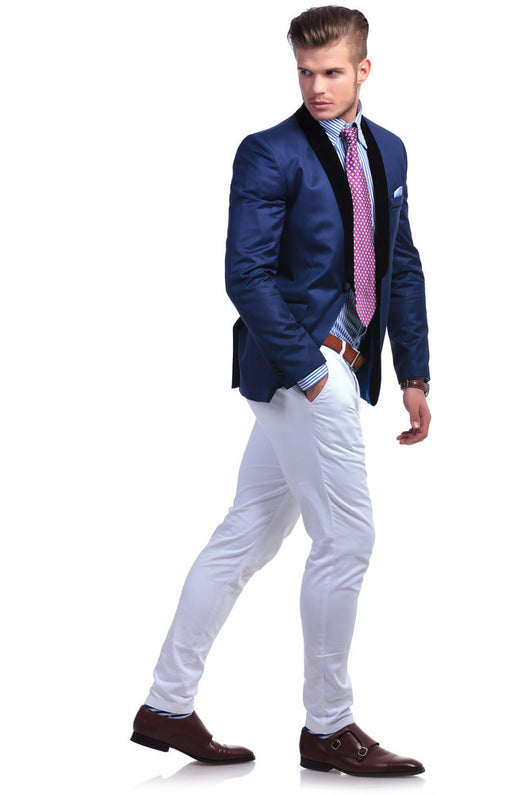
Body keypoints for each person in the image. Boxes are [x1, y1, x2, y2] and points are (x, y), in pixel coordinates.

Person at [131, 5, 430, 778]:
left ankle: (167, 704)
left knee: (246, 534)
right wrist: (311, 371)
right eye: (304, 72)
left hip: (348, 362)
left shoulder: (389, 149)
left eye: (331, 72)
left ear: (363, 69)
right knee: (348, 540)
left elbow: (400, 262)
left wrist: (414, 374)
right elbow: (246, 274)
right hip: (304, 367)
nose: (316, 86)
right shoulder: (269, 152)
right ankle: (329, 724)